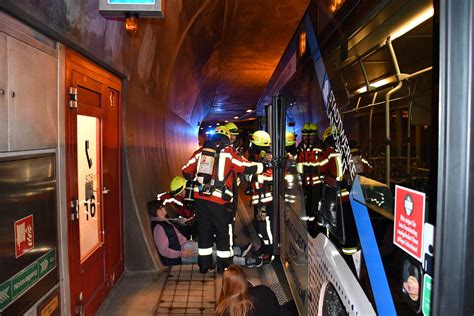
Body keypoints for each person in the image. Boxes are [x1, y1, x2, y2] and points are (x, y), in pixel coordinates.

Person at [182, 126, 267, 273]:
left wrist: (201, 181)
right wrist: (264, 165)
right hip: (220, 202)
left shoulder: (200, 152)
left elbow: (185, 170)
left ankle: (204, 266)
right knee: (223, 233)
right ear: (226, 139)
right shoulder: (228, 153)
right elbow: (245, 166)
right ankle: (224, 267)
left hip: (200, 201)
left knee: (204, 231)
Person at [148, 199, 262, 267]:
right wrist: (182, 254)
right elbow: (164, 251)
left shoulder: (164, 221)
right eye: (162, 207)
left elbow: (176, 235)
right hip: (183, 252)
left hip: (185, 246)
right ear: (158, 210)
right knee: (214, 255)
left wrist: (187, 240)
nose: (164, 208)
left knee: (213, 247)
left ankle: (238, 251)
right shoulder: (159, 228)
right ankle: (245, 261)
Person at [215, 265, 286, 316]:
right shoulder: (262, 291)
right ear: (243, 279)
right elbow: (276, 310)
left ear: (225, 284)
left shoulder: (221, 309)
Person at [248, 130, 274, 263]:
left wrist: (253, 177)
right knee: (260, 226)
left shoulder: (268, 158)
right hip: (260, 200)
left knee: (266, 227)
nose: (251, 145)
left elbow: (269, 177)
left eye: (253, 143)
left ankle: (270, 252)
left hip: (266, 201)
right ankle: (264, 248)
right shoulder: (260, 158)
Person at [296, 123, 323, 223]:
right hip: (304, 181)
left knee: (315, 203)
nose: (309, 138)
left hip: (316, 181)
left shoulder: (320, 145)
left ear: (315, 135)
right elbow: (298, 162)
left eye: (311, 136)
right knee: (305, 202)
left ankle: (314, 222)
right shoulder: (301, 146)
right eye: (307, 136)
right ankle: (306, 221)